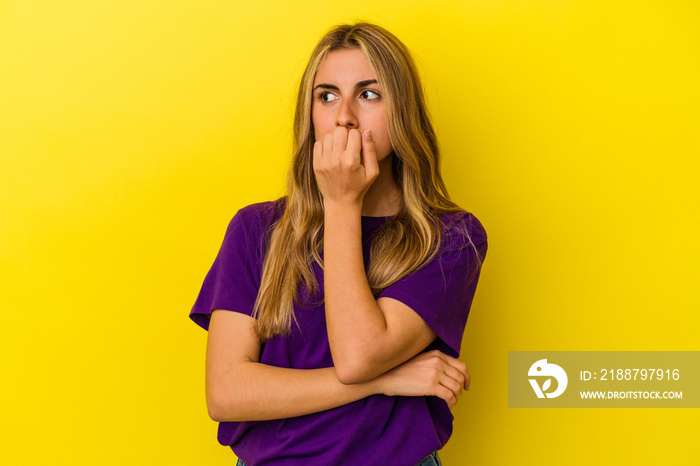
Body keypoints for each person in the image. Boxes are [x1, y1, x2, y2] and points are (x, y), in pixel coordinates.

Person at [189, 22, 488, 466]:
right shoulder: (256, 229)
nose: (344, 115)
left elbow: (359, 356)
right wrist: (384, 381)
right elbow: (227, 394)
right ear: (309, 115)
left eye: (369, 94)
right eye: (327, 96)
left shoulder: (450, 238)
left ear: (402, 111)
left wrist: (342, 202)